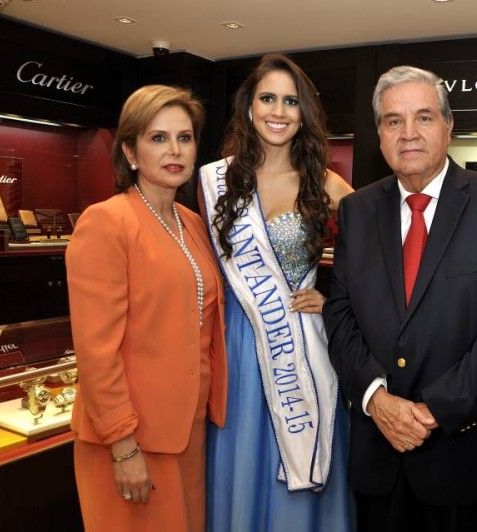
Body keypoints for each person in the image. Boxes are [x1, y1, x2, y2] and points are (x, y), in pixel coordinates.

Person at [322, 65, 477, 532]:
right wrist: (376, 399)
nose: (409, 134)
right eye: (393, 121)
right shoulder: (357, 211)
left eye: (423, 117)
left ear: (448, 126)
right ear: (379, 134)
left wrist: (431, 410)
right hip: (378, 458)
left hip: (466, 459)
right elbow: (340, 315)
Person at [199, 53, 354, 531]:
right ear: (249, 107)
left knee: (307, 456)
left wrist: (335, 303)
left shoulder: (326, 183)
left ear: (304, 112)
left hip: (303, 345)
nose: (279, 111)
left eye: (291, 101)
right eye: (268, 98)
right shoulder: (214, 179)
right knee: (244, 459)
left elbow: (378, 263)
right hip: (236, 345)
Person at [66, 85, 227, 531]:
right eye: (158, 138)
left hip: (188, 433)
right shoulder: (107, 222)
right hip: (131, 439)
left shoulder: (191, 222)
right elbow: (97, 351)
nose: (174, 149)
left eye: (185, 137)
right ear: (130, 152)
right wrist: (123, 445)